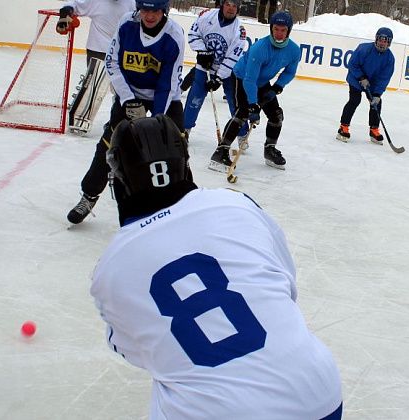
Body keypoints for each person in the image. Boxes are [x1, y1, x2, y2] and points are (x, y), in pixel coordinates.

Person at [91, 115, 343, 419]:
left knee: (172, 383)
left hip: (217, 411)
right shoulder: (235, 204)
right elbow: (285, 282)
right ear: (184, 161)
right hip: (319, 396)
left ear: (118, 178)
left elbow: (135, 351)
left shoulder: (110, 268)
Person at [66, 0, 185, 225]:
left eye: (155, 11)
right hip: (129, 93)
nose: (149, 16)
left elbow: (167, 83)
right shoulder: (126, 23)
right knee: (109, 145)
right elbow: (111, 62)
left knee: (175, 147)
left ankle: (179, 204)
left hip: (165, 96)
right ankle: (89, 195)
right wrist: (129, 100)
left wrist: (158, 120)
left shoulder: (174, 35)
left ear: (165, 11)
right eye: (145, 10)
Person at [208, 10, 300, 171]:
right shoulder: (260, 48)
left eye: (283, 30)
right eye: (276, 29)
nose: (278, 34)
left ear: (289, 31)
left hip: (263, 81)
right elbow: (250, 79)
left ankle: (270, 149)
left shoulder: (294, 50)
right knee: (242, 113)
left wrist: (278, 86)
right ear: (271, 28)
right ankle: (221, 151)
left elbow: (290, 72)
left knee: (276, 115)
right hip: (243, 77)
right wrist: (252, 104)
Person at [57, 0, 136, 135]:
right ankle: (79, 121)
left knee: (122, 90)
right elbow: (74, 4)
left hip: (122, 51)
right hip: (98, 49)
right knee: (92, 87)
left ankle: (118, 122)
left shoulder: (133, 2)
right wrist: (66, 11)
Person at [183, 0, 250, 145]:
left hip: (228, 72)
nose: (231, 9)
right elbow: (193, 34)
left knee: (234, 102)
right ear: (222, 5)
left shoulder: (239, 31)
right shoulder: (206, 17)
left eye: (234, 6)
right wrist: (202, 51)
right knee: (195, 98)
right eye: (228, 4)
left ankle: (242, 133)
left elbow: (232, 58)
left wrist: (218, 78)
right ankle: (184, 130)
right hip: (204, 67)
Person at [336, 27, 395, 144]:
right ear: (376, 39)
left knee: (376, 104)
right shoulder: (364, 49)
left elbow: (384, 78)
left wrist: (377, 93)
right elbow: (352, 64)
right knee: (354, 100)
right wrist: (361, 77)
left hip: (372, 83)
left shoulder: (389, 58)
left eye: (386, 41)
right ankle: (343, 127)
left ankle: (374, 130)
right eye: (381, 40)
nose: (382, 43)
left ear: (389, 42)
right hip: (356, 80)